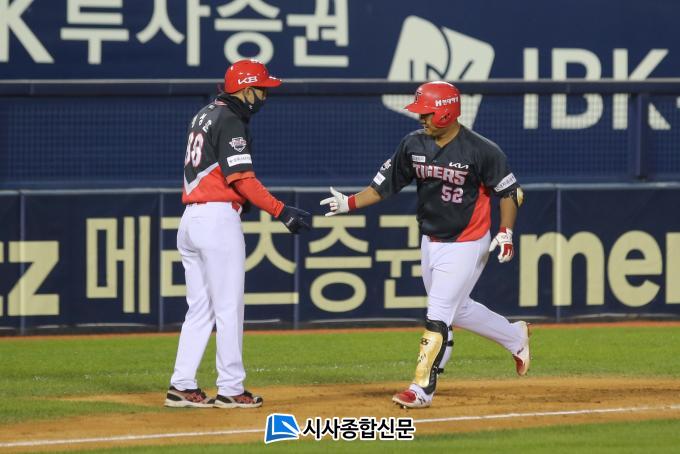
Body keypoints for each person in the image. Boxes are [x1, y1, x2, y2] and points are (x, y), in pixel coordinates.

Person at [320, 81, 530, 409]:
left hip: (467, 242)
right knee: (457, 309)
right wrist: (349, 203)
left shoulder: (481, 150)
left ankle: (420, 389)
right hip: (431, 239)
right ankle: (515, 336)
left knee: (438, 314)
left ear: (446, 112)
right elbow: (383, 186)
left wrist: (506, 232)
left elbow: (510, 192)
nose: (421, 118)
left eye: (427, 113)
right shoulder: (413, 144)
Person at [165, 59, 311, 409]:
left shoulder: (205, 113)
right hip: (216, 220)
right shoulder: (230, 118)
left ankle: (182, 384)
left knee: (200, 307)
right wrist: (281, 210)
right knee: (228, 306)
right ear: (245, 90)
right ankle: (231, 388)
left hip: (191, 219)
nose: (264, 95)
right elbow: (242, 179)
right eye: (260, 89)